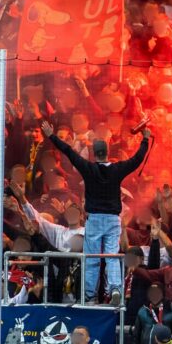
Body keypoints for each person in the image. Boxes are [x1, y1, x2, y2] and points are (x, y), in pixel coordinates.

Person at [42, 122, 151, 303]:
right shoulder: (117, 169)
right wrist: (145, 139)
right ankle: (115, 288)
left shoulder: (88, 167)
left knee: (92, 257)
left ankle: (89, 294)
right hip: (112, 220)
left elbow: (68, 151)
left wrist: (51, 136)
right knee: (111, 255)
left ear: (94, 153)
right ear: (107, 152)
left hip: (94, 219)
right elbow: (138, 159)